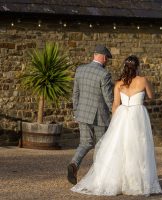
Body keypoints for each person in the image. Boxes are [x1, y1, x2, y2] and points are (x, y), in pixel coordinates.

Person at [70, 55, 162, 196]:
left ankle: (117, 180)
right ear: (137, 67)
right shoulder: (143, 80)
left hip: (122, 116)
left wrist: (114, 122)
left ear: (125, 67)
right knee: (138, 148)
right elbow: (151, 96)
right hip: (138, 116)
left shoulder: (119, 84)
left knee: (120, 147)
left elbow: (115, 105)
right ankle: (135, 182)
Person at [68, 44, 114, 185]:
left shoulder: (80, 70)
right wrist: (116, 112)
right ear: (104, 57)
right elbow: (108, 98)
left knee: (85, 143)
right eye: (107, 59)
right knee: (101, 145)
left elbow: (75, 94)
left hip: (82, 113)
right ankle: (99, 177)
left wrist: (76, 112)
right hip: (100, 116)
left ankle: (74, 163)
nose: (107, 62)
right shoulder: (104, 74)